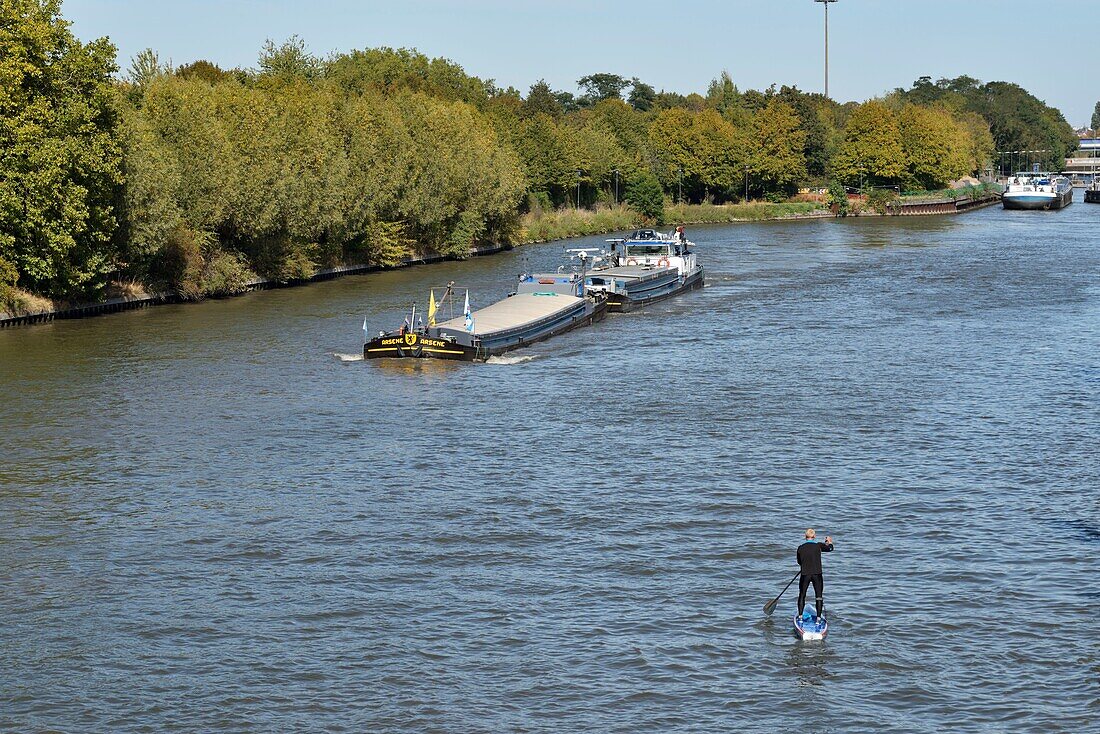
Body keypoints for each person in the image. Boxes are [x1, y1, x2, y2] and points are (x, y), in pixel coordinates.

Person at [796, 528, 834, 619]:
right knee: (819, 596)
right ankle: (818, 618)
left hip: (805, 574)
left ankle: (800, 616)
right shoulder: (819, 546)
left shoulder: (800, 548)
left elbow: (799, 562)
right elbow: (830, 548)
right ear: (814, 536)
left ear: (805, 537)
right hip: (817, 574)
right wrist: (829, 542)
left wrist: (804, 564)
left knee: (802, 595)